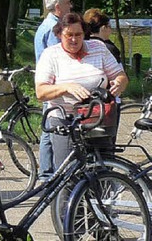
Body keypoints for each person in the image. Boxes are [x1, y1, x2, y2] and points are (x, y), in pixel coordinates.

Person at [35, 12, 128, 171]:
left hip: (98, 119)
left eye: (78, 34)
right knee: (69, 176)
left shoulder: (98, 47)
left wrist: (119, 83)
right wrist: (65, 87)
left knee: (100, 171)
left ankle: (99, 195)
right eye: (68, 35)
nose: (74, 39)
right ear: (59, 34)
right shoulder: (51, 55)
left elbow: (120, 76)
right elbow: (41, 92)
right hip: (65, 120)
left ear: (85, 33)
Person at [33, 0, 72, 181]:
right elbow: (59, 58)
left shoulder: (46, 25)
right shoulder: (53, 29)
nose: (70, 6)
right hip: (53, 86)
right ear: (58, 7)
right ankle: (48, 172)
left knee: (49, 128)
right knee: (51, 129)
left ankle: (47, 171)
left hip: (49, 85)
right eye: (67, 3)